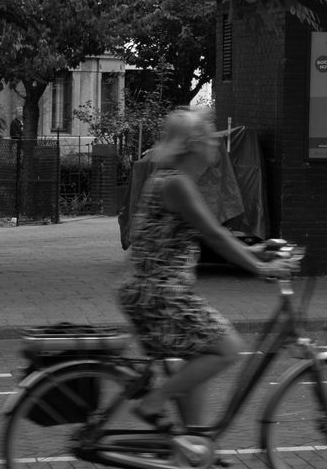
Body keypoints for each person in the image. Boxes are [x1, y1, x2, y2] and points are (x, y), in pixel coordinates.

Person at [119, 107, 296, 432]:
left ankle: (195, 442)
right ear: (192, 145)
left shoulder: (170, 180)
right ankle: (153, 403)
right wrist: (258, 267)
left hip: (150, 292)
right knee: (228, 348)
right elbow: (214, 234)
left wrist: (254, 249)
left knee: (199, 353)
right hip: (161, 295)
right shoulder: (177, 185)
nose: (216, 144)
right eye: (210, 138)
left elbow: (210, 232)